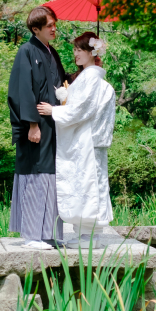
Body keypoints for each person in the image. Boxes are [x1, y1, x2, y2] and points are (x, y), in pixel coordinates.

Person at [36, 31, 116, 244]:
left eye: (80, 49)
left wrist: (54, 110)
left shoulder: (91, 79)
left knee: (87, 184)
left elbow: (82, 109)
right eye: (75, 49)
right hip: (89, 140)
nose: (76, 53)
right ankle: (87, 234)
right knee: (88, 184)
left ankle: (89, 236)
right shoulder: (90, 78)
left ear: (92, 52)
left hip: (86, 141)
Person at [7, 6, 70, 250]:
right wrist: (32, 125)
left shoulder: (52, 52)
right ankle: (32, 235)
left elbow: (62, 83)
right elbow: (22, 90)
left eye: (55, 24)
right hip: (35, 125)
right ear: (35, 29)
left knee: (51, 175)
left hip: (52, 123)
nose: (54, 29)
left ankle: (48, 233)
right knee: (35, 174)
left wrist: (90, 66)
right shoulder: (26, 51)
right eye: (49, 26)